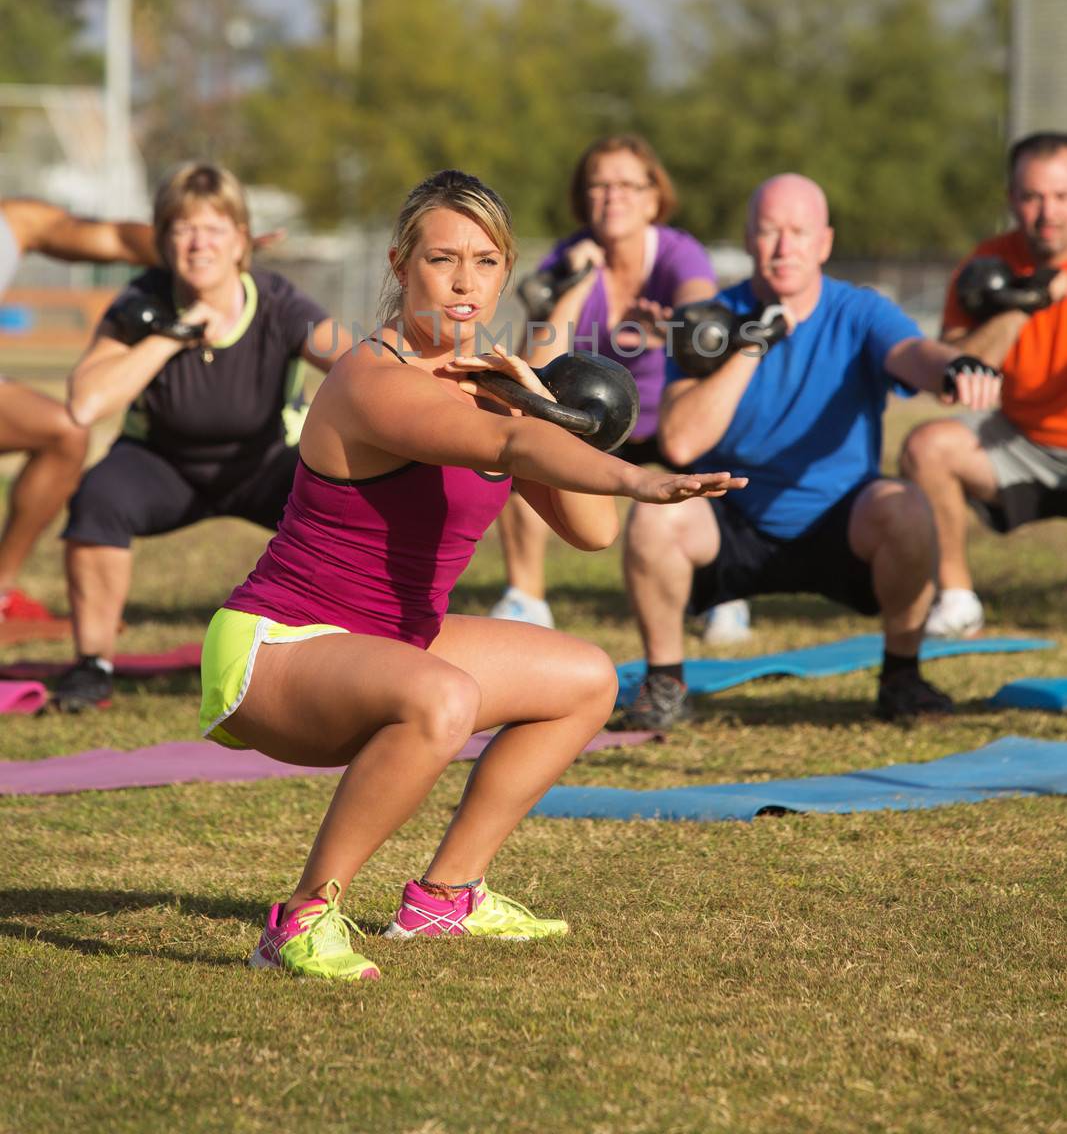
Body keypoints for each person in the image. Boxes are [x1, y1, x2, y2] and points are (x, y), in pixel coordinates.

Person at [198, 169, 743, 981]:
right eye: (441, 259)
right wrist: (633, 475)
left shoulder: (493, 393)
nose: (463, 283)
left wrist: (534, 406)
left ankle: (444, 898)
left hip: (393, 643)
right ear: (398, 265)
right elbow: (509, 452)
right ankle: (301, 918)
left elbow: (589, 534)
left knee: (587, 677)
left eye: (486, 262)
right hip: (279, 646)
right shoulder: (368, 379)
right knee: (441, 695)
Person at [621, 172, 1002, 730]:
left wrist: (955, 366)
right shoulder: (708, 320)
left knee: (907, 507)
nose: (783, 246)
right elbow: (680, 441)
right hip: (733, 515)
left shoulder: (859, 312)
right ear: (750, 239)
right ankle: (665, 684)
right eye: (769, 231)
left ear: (823, 242)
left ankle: (901, 677)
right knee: (655, 517)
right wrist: (752, 345)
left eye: (798, 231)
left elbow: (915, 353)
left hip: (839, 521)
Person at [56, 162, 346, 711]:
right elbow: (85, 401)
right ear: (164, 241)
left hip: (265, 462)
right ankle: (92, 665)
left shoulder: (279, 301)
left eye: (214, 229)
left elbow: (355, 362)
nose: (198, 243)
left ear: (241, 241)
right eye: (183, 229)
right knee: (98, 498)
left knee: (345, 499)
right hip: (161, 465)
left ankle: (342, 651)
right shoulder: (142, 301)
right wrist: (173, 335)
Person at [493, 134, 724, 633]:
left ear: (653, 197)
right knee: (523, 441)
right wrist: (575, 286)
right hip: (592, 423)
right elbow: (534, 372)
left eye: (625, 184)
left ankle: (719, 592)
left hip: (665, 425)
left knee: (715, 447)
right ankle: (525, 598)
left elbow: (702, 312)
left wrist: (675, 327)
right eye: (598, 185)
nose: (611, 196)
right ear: (583, 198)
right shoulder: (569, 258)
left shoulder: (677, 253)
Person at [902, 131, 1067, 637]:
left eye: (1062, 196)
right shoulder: (986, 263)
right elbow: (953, 372)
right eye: (1032, 197)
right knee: (928, 446)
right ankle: (956, 601)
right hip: (1020, 442)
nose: (1047, 213)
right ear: (1011, 200)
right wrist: (1031, 301)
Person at [0, 198, 168, 638]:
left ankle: (0, 594)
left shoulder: (15, 221)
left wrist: (203, 244)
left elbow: (116, 238)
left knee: (65, 431)